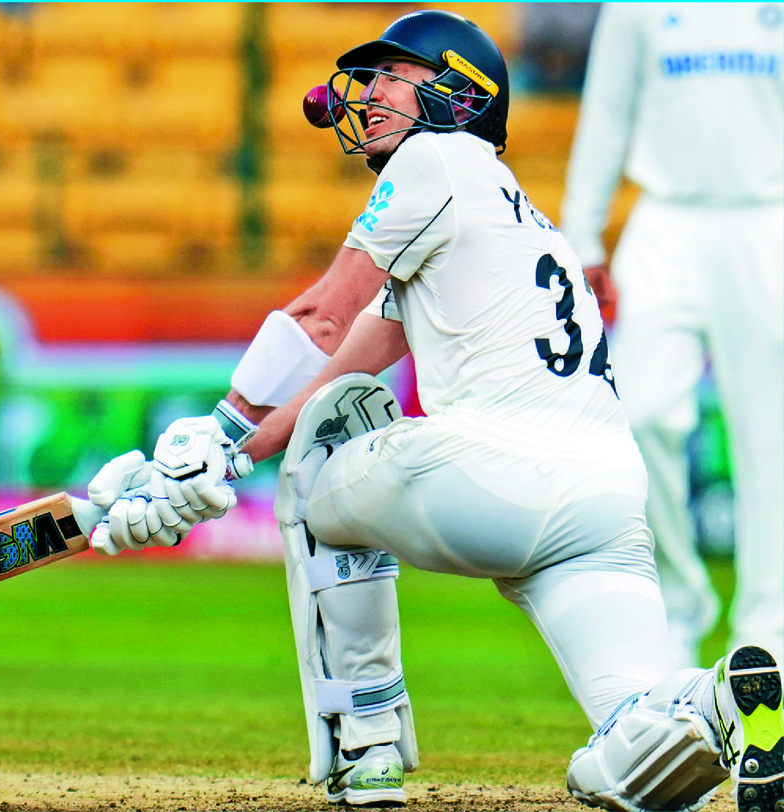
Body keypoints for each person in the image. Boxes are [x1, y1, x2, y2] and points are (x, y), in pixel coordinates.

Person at [86, 11, 784, 811]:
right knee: (634, 744)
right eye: (372, 77)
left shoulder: (435, 160)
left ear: (461, 96)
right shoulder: (517, 219)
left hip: (495, 472)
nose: (371, 93)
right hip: (607, 501)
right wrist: (228, 457)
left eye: (394, 76)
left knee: (330, 449)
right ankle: (723, 700)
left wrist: (213, 436)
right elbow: (345, 359)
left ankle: (368, 745)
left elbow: (322, 318)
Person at [560, 3, 784, 671]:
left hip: (768, 218)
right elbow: (605, 115)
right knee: (642, 413)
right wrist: (582, 236)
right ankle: (679, 609)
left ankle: (767, 631)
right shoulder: (636, 7)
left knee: (769, 439)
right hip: (664, 223)